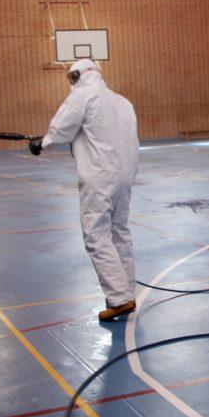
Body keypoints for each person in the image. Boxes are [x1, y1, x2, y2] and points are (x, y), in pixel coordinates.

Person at [30, 59, 140, 322]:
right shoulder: (122, 101)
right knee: (119, 232)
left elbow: (61, 129)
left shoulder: (82, 96)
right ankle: (127, 291)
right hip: (125, 174)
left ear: (76, 76)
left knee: (96, 234)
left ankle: (119, 298)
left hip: (99, 175)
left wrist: (42, 144)